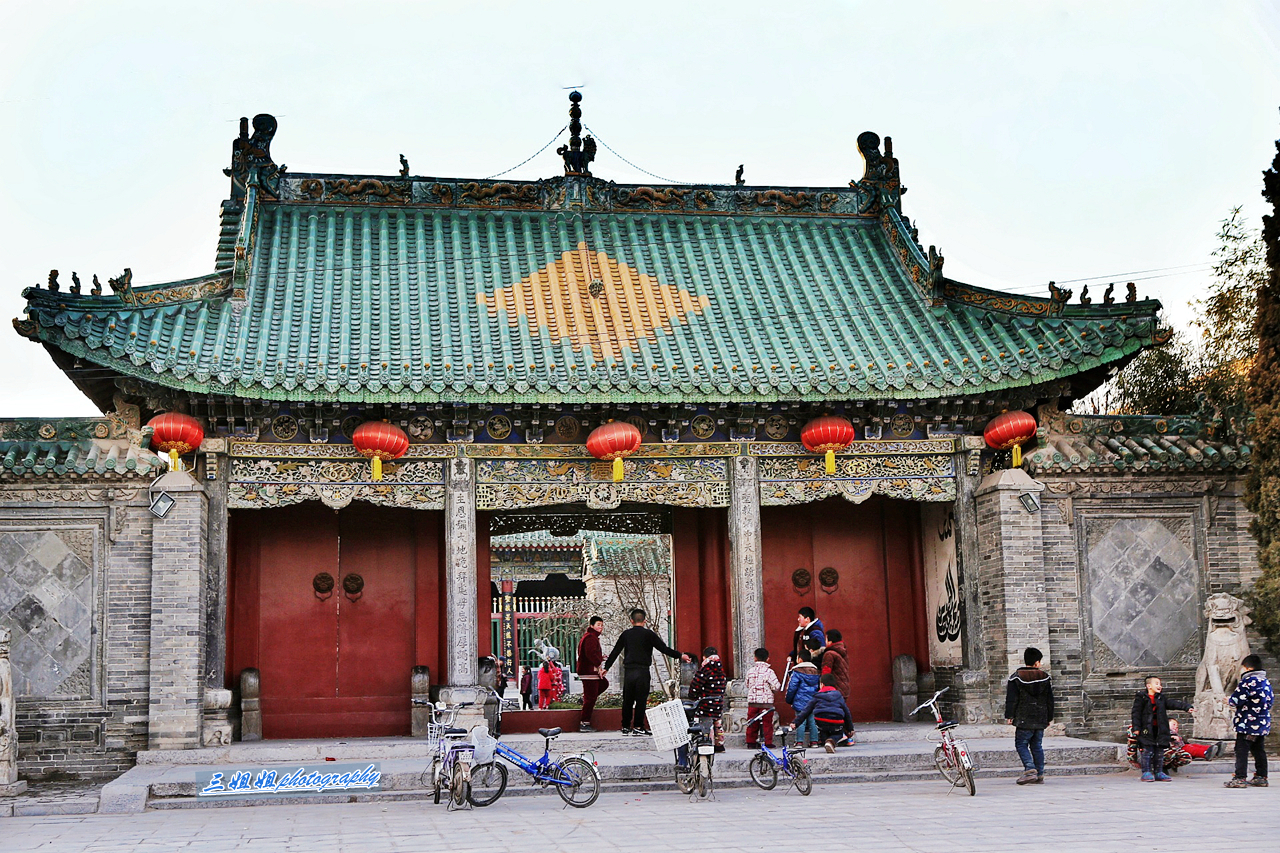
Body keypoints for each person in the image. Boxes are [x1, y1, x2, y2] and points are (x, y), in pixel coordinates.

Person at [602, 608, 691, 736]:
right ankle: (638, 726)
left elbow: (615, 651)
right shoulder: (649, 635)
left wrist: (606, 667)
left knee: (627, 699)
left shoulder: (626, 634)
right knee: (641, 699)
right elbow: (664, 649)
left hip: (629, 671)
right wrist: (680, 655)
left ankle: (626, 726)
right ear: (645, 621)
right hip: (643, 671)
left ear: (631, 621)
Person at [1004, 646, 1054, 785]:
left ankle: (1030, 769)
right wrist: (1049, 717)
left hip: (1024, 717)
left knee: (1021, 744)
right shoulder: (1045, 677)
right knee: (1037, 745)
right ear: (1037, 663)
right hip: (1040, 717)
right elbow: (1050, 700)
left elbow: (1012, 698)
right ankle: (1039, 773)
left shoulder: (1016, 677)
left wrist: (1010, 715)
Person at [1130, 675, 1194, 782]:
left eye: (1160, 684)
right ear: (1149, 686)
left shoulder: (1161, 698)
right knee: (1148, 751)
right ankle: (1146, 772)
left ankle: (1159, 772)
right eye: (1157, 684)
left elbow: (1173, 703)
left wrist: (1186, 707)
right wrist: (1136, 727)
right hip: (1147, 730)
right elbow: (1136, 713)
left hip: (1160, 730)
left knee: (1159, 752)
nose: (1159, 686)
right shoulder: (1141, 698)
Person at [1225, 654, 1273, 788]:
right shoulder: (1266, 682)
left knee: (1241, 749)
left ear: (1246, 668)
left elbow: (1236, 699)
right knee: (1259, 749)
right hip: (1262, 724)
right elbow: (1270, 701)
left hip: (1247, 723)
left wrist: (1228, 700)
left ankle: (1240, 777)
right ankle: (1261, 776)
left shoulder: (1247, 682)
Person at [791, 674, 854, 753]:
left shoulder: (817, 696)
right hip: (836, 719)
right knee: (839, 734)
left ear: (822, 684)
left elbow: (806, 710)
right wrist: (850, 728)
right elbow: (846, 711)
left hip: (821, 719)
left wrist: (796, 723)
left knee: (823, 732)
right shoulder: (838, 695)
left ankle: (827, 741)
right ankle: (831, 741)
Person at [688, 646, 728, 752]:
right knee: (717, 723)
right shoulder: (721, 670)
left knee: (706, 724)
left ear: (704, 657)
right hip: (718, 700)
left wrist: (693, 696)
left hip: (705, 702)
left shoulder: (705, 670)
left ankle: (708, 743)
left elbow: (696, 685)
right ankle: (719, 745)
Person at [744, 647, 781, 750]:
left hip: (753, 701)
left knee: (752, 721)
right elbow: (776, 686)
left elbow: (747, 684)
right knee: (767, 722)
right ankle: (768, 742)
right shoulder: (769, 672)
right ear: (768, 659)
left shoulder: (750, 671)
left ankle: (751, 742)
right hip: (766, 702)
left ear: (755, 658)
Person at [576, 616, 607, 733]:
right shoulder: (590, 638)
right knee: (591, 698)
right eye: (598, 625)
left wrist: (600, 658)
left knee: (604, 684)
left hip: (589, 671)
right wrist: (599, 661)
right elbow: (590, 654)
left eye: (602, 625)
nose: (601, 627)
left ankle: (583, 700)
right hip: (589, 672)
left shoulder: (591, 637)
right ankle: (584, 722)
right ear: (592, 626)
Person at [785, 658, 820, 748]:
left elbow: (792, 687)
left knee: (800, 721)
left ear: (800, 659)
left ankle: (799, 742)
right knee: (813, 722)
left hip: (800, 701)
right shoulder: (816, 672)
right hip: (813, 701)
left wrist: (789, 699)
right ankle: (814, 741)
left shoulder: (797, 672)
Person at [821, 629, 850, 700]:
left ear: (830, 641)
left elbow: (826, 672)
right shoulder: (843, 651)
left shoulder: (829, 654)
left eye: (826, 639)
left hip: (833, 690)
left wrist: (823, 688)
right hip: (844, 689)